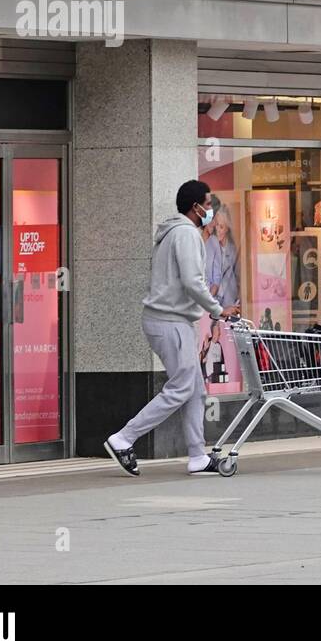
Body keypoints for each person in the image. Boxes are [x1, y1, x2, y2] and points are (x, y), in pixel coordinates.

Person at [104, 180, 240, 476]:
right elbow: (193, 282)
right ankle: (124, 438)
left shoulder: (172, 233)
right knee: (181, 388)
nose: (211, 210)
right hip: (171, 322)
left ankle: (197, 456)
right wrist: (218, 309)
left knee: (194, 389)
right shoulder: (186, 234)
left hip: (167, 320)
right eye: (208, 204)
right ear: (195, 207)